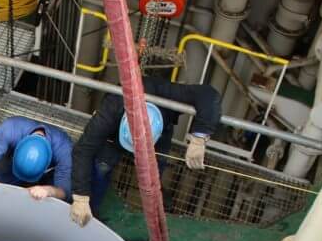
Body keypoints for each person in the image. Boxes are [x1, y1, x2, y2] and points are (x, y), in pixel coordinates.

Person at [69, 78, 221, 225]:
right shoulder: (110, 110)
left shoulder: (166, 94)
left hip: (159, 135)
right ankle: (92, 210)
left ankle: (152, 211)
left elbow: (208, 94)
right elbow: (83, 150)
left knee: (154, 175)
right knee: (102, 167)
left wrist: (199, 137)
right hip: (115, 136)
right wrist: (81, 196)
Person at [0, 116, 73, 202]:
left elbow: (66, 190)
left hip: (44, 178)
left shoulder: (65, 149)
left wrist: (49, 191)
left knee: (51, 199)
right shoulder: (10, 127)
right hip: (10, 165)